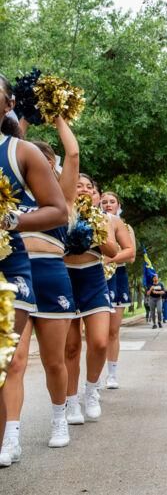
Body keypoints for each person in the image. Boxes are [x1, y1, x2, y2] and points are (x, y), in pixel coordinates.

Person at [0, 79, 69, 465]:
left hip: (13, 267)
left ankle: (15, 436)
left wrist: (8, 218)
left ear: (8, 104)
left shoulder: (21, 152)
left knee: (8, 359)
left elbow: (58, 211)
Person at [63, 175, 120, 426]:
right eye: (79, 185)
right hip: (65, 277)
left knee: (98, 341)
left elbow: (113, 251)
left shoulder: (103, 218)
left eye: (89, 187)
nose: (85, 190)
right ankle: (71, 400)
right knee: (72, 347)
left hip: (93, 277)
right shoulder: (60, 210)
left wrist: (93, 231)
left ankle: (91, 391)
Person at [100, 192, 136, 389]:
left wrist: (110, 258)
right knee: (96, 332)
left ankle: (112, 374)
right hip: (95, 276)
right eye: (104, 201)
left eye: (112, 201)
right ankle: (94, 376)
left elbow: (131, 256)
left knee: (113, 330)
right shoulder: (93, 222)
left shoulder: (125, 226)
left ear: (118, 205)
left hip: (117, 277)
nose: (108, 204)